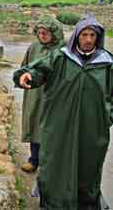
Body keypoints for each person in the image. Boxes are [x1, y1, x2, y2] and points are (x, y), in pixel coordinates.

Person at [13, 14, 113, 209]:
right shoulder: (60, 56)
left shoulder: (107, 63)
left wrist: (106, 117)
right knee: (55, 164)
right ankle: (54, 203)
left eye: (92, 35)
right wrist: (27, 75)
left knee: (88, 168)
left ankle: (86, 204)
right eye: (84, 34)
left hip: (93, 130)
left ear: (98, 37)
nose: (88, 40)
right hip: (59, 125)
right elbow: (39, 70)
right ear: (77, 36)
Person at [19, 16, 65, 173]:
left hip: (54, 97)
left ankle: (52, 165)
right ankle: (34, 160)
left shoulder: (63, 50)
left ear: (54, 32)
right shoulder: (34, 47)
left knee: (52, 130)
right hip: (35, 96)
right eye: (39, 32)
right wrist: (22, 78)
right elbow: (23, 68)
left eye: (45, 32)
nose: (42, 35)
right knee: (35, 126)